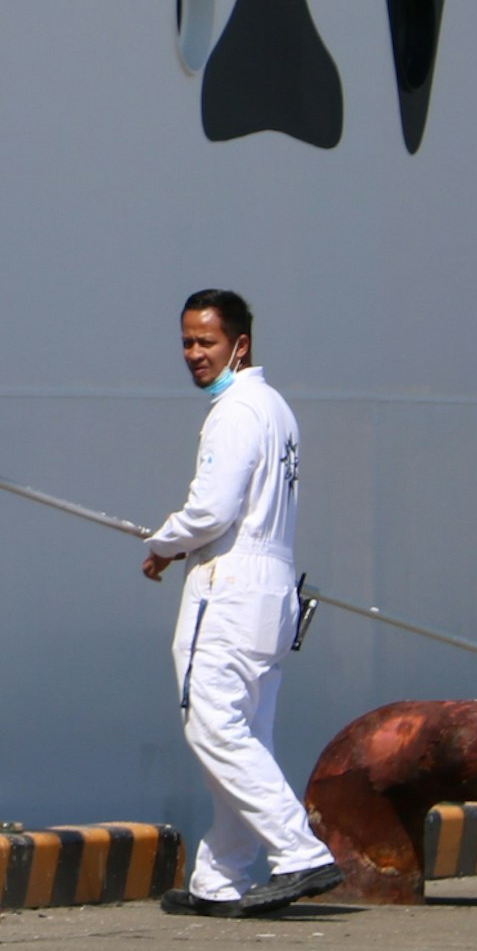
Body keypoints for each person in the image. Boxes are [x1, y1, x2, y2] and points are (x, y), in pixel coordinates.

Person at [138, 288, 344, 917]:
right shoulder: (277, 409)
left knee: (213, 726)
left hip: (227, 587)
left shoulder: (233, 411)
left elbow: (212, 509)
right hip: (273, 588)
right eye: (186, 342)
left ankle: (299, 851)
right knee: (244, 731)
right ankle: (220, 879)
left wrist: (164, 542)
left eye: (206, 342)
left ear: (239, 344)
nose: (194, 354)